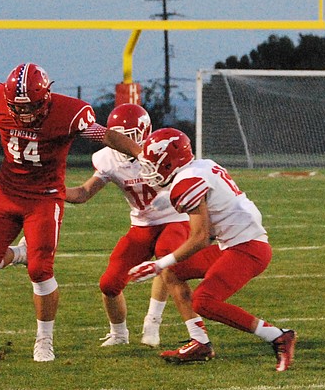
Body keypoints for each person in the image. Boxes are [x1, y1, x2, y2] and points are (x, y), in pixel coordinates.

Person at [0, 62, 140, 362]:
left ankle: (44, 339)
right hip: (6, 192)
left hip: (44, 198)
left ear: (47, 97)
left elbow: (103, 135)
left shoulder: (69, 113)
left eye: (31, 108)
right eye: (18, 108)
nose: (24, 114)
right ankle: (19, 254)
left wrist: (142, 153)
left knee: (41, 271)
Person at [126, 128, 296, 371]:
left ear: (169, 162)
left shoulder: (186, 182)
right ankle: (200, 342)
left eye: (154, 164)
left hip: (247, 248)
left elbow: (200, 238)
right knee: (173, 271)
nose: (149, 170)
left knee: (204, 301)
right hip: (235, 243)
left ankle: (278, 336)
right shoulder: (203, 166)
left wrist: (156, 264)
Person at [65, 103, 221, 350]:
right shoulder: (107, 157)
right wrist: (52, 190)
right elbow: (84, 192)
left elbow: (194, 183)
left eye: (130, 136)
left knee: (166, 253)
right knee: (109, 283)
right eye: (119, 135)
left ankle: (154, 322)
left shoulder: (159, 151)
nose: (124, 141)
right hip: (142, 223)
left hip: (174, 217)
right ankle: (118, 333)